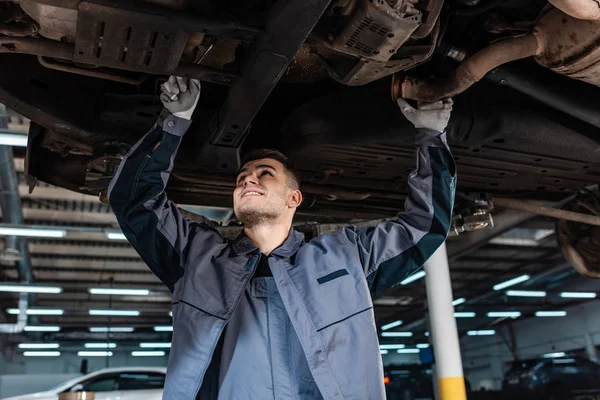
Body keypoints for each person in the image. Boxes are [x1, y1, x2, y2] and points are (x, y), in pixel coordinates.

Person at [108, 76, 456, 400]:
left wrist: (431, 135)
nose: (247, 180)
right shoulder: (195, 257)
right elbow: (135, 201)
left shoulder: (346, 257)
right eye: (242, 176)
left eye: (264, 173)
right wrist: (173, 122)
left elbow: (422, 227)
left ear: (294, 198)